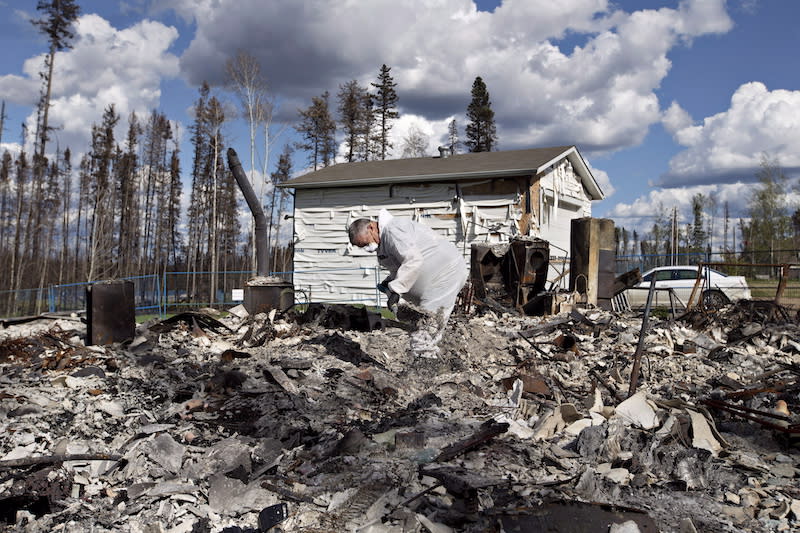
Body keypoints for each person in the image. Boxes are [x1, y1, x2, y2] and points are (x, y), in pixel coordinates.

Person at [348, 209, 468, 358]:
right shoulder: (383, 242)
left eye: (366, 243)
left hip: (444, 274)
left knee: (425, 333)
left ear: (372, 227)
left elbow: (413, 260)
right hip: (436, 280)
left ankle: (425, 370)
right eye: (362, 247)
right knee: (424, 326)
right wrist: (390, 283)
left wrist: (396, 289)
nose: (368, 248)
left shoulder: (393, 231)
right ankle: (430, 362)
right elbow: (399, 267)